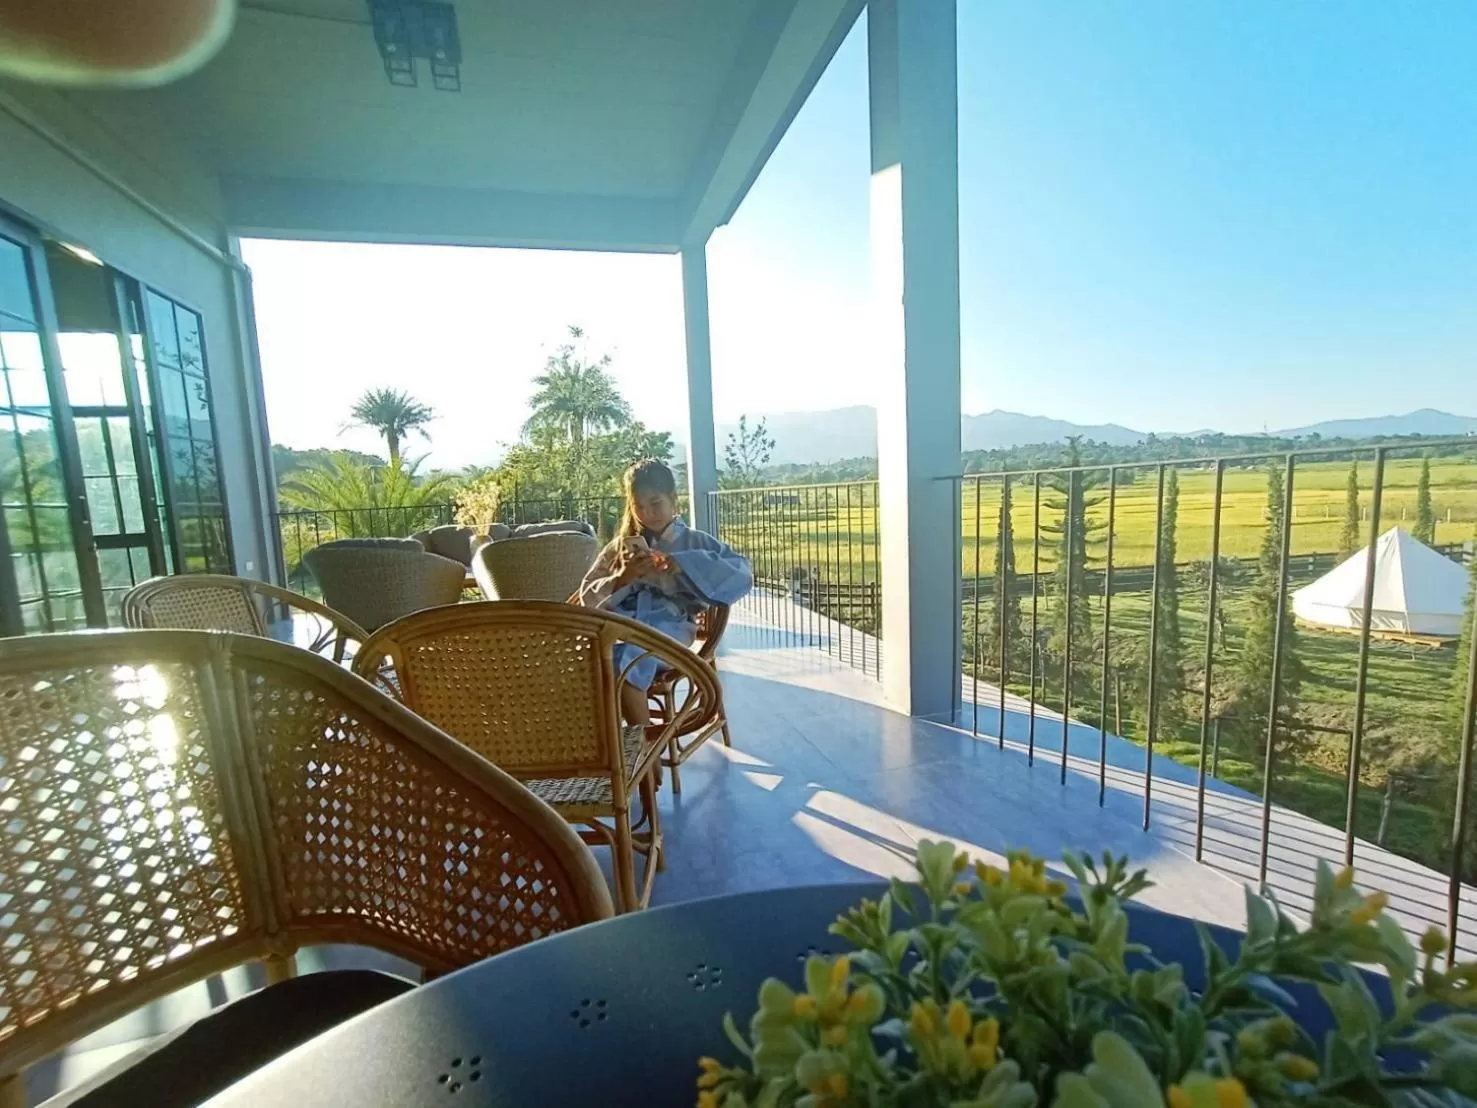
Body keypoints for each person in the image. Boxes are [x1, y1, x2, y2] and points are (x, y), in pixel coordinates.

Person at [576, 459, 751, 728]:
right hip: (622, 624)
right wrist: (624, 578)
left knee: (628, 658)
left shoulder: (697, 541)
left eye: (655, 503)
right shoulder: (619, 547)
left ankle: (644, 752)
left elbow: (741, 574)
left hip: (671, 626)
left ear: (672, 499)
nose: (647, 513)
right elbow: (586, 595)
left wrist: (685, 563)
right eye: (639, 507)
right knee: (591, 658)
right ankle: (613, 748)